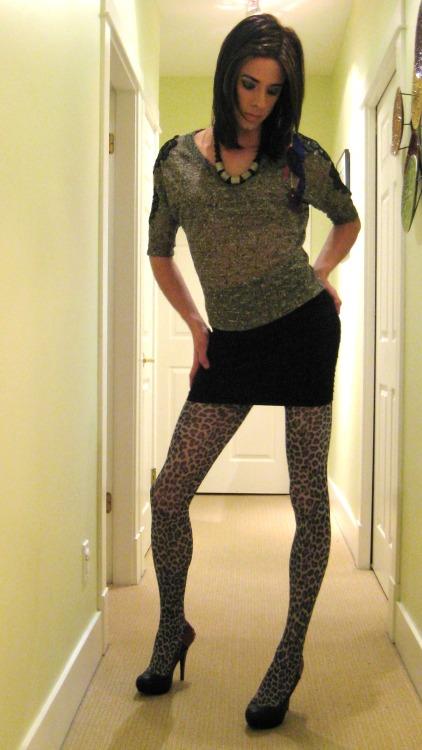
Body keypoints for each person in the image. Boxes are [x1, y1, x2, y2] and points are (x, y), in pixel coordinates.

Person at [136, 12, 360, 731]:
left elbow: (347, 219)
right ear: (226, 75)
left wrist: (319, 273)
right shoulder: (176, 161)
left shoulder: (298, 157)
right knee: (169, 493)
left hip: (303, 334)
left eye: (274, 89)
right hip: (229, 343)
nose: (259, 101)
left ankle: (289, 655)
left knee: (308, 500)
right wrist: (194, 323)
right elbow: (159, 251)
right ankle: (172, 627)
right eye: (248, 83)